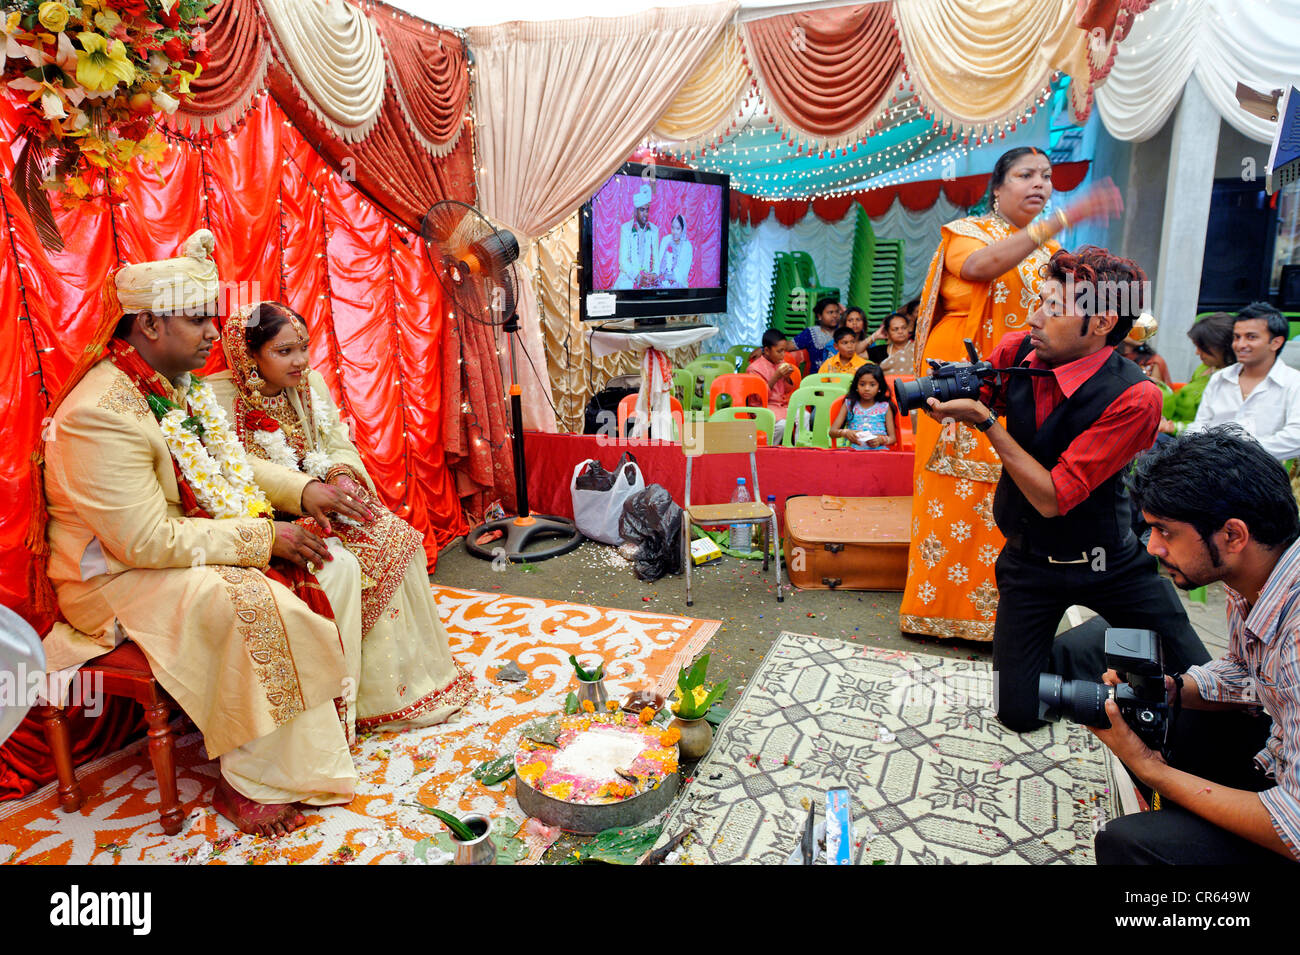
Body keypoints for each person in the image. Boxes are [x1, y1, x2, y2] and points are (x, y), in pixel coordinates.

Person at [39, 230, 376, 836]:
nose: (215, 336)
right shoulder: (100, 414)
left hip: (174, 546)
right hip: (114, 577)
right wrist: (261, 540)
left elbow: (229, 467)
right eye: (198, 321)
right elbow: (142, 542)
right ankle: (252, 779)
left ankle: (321, 743)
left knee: (333, 563)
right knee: (253, 600)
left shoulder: (176, 387)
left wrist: (298, 494)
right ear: (148, 326)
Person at [919, 246, 1209, 730]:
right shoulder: (1017, 351)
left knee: (1203, 683)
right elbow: (984, 391)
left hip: (1110, 561)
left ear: (1101, 323)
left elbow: (1054, 497)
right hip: (1030, 561)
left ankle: (1104, 636)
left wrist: (987, 422)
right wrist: (951, 391)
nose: (1034, 317)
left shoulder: (1138, 397)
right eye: (1039, 300)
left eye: (1053, 308)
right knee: (1017, 715)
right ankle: (1089, 647)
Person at [209, 302, 477, 736]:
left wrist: (341, 475)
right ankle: (362, 700)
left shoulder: (309, 383)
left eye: (304, 348)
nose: (300, 361)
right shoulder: (218, 397)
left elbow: (335, 442)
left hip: (327, 498)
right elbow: (234, 466)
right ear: (249, 355)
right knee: (358, 559)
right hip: (269, 517)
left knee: (401, 538)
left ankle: (405, 685)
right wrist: (303, 492)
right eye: (284, 352)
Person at [899, 146, 1123, 641]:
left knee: (1012, 496)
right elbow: (980, 268)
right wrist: (1067, 216)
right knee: (957, 501)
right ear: (997, 188)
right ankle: (939, 613)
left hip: (1022, 385)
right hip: (965, 376)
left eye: (1046, 175)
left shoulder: (1052, 256)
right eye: (1025, 175)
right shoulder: (968, 232)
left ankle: (1003, 618)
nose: (1039, 183)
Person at [1091, 427, 1300, 864]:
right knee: (1158, 715)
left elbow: (1296, 828)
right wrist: (1173, 688)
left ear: (1233, 535)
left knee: (1130, 845)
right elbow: (1246, 674)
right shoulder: (1257, 580)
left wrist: (1154, 771)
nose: (1152, 547)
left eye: (1165, 531)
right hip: (1280, 759)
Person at [1186, 302, 1300, 462]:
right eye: (1237, 337)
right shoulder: (1221, 378)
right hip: (1211, 467)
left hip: (1262, 473)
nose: (1240, 345)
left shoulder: (1293, 383)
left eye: (1251, 337)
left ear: (1276, 343)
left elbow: (1295, 437)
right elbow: (1200, 425)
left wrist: (1241, 455)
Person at [1158, 311, 1235, 436]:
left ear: (1223, 346)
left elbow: (1213, 428)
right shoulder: (1204, 368)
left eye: (1203, 348)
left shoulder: (1231, 381)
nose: (1197, 353)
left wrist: (1175, 428)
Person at [747, 329, 798, 441]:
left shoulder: (781, 363)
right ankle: (768, 450)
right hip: (762, 407)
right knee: (782, 425)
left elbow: (788, 390)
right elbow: (758, 398)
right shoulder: (754, 369)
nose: (783, 355)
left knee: (804, 416)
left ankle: (800, 449)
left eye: (784, 351)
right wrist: (776, 377)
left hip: (780, 405)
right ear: (766, 350)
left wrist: (787, 377)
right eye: (779, 351)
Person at [830, 363, 896, 451]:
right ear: (856, 386)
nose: (867, 388)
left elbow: (893, 438)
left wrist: (881, 440)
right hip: (854, 452)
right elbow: (832, 432)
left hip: (879, 453)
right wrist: (845, 432)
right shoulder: (849, 404)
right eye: (862, 384)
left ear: (879, 387)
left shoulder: (885, 406)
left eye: (872, 385)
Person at [615, 184, 659, 289]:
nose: (645, 214)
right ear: (635, 211)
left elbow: (656, 259)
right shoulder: (626, 229)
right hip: (629, 275)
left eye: (647, 210)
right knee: (626, 286)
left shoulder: (654, 230)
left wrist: (654, 274)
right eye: (642, 210)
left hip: (648, 276)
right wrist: (637, 276)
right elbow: (623, 261)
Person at [793, 297, 842, 369]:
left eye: (837, 312)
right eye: (830, 312)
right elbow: (787, 346)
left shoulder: (844, 331)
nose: (835, 315)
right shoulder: (811, 333)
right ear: (819, 316)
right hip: (817, 378)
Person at [657, 214, 692, 288]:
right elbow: (658, 262)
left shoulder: (687, 246)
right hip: (661, 282)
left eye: (678, 228)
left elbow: (683, 274)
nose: (674, 232)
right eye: (672, 227)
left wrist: (667, 277)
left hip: (678, 284)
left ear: (682, 229)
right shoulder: (665, 240)